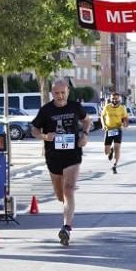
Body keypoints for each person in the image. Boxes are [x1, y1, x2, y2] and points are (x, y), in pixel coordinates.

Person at [31, 79, 91, 246]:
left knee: (69, 190)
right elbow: (34, 129)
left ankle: (66, 227)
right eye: (57, 93)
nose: (60, 96)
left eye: (63, 92)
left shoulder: (75, 107)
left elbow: (87, 120)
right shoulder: (46, 110)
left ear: (68, 92)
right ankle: (66, 210)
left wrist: (85, 135)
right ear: (52, 93)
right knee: (60, 195)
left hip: (73, 154)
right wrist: (44, 136)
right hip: (53, 156)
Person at [102, 91, 129, 174]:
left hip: (117, 129)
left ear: (119, 99)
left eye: (116, 99)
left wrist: (124, 124)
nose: (114, 100)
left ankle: (115, 165)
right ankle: (111, 150)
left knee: (118, 148)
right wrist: (103, 125)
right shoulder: (107, 107)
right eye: (113, 98)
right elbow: (102, 116)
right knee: (106, 152)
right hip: (109, 130)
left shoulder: (122, 108)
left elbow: (125, 118)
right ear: (110, 99)